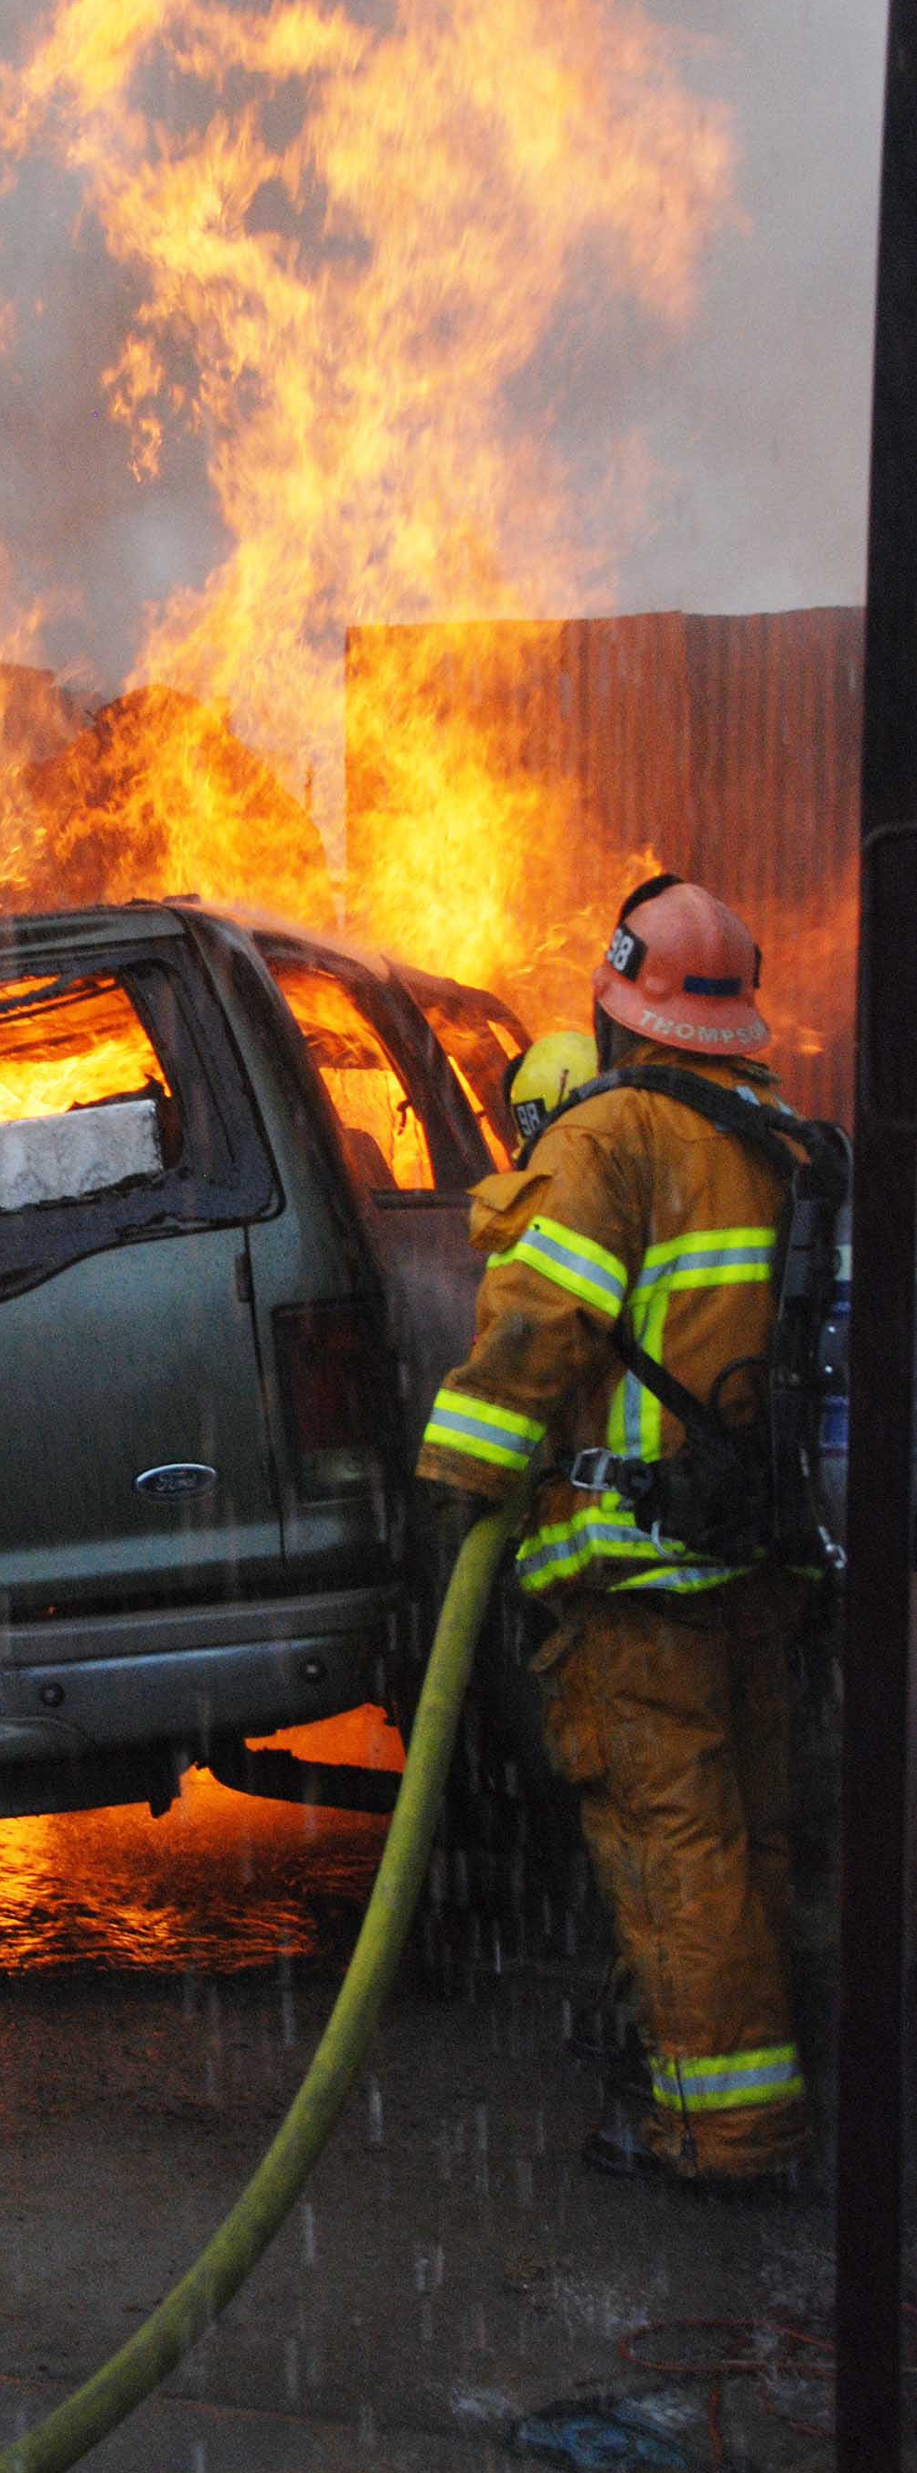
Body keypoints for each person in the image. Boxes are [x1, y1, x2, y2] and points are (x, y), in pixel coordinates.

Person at [418, 876, 811, 2191]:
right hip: (751, 1552)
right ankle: (752, 2080)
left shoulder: (610, 1138)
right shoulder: (777, 1143)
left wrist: (460, 1475)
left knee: (672, 1847)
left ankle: (724, 2131)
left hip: (633, 1567)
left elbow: (538, 1324)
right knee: (746, 1834)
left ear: (618, 1006)